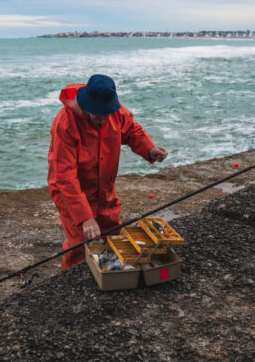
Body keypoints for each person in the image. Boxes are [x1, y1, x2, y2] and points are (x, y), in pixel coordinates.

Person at [47, 74, 168, 269]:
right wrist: (85, 218)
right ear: (86, 104)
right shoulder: (65, 123)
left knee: (112, 235)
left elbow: (131, 131)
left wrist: (149, 149)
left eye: (106, 113)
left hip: (104, 189)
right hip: (72, 193)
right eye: (98, 113)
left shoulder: (115, 112)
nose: (103, 118)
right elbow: (65, 176)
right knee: (81, 243)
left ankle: (108, 278)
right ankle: (69, 283)